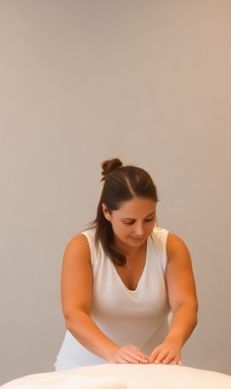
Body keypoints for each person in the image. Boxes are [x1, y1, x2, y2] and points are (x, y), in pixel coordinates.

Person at [54, 158, 199, 371]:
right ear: (107, 212)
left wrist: (173, 342)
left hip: (150, 368)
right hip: (83, 370)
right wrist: (113, 352)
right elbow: (74, 314)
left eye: (149, 219)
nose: (140, 231)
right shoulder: (82, 248)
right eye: (129, 222)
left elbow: (186, 305)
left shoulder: (172, 247)